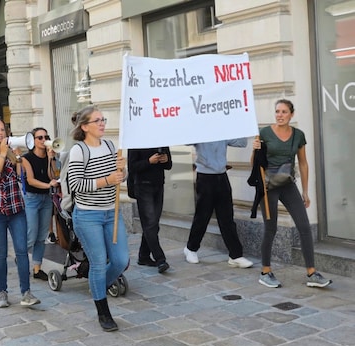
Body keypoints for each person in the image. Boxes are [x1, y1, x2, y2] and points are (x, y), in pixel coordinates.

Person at [252, 99, 332, 288]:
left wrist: (305, 191)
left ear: (291, 114)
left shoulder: (298, 136)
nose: (279, 115)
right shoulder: (264, 133)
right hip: (267, 186)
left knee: (304, 226)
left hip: (288, 184)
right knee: (271, 228)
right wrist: (255, 149)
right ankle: (265, 271)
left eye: (284, 112)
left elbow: (303, 163)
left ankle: (312, 273)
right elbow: (254, 164)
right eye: (277, 111)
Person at [67, 105, 128, 332]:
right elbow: (75, 185)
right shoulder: (79, 151)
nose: (102, 123)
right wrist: (107, 179)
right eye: (97, 120)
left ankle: (95, 281)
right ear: (85, 127)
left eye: (103, 119)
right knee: (99, 263)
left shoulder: (111, 146)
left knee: (120, 260)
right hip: (87, 215)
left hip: (112, 212)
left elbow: (120, 177)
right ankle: (103, 312)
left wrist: (122, 171)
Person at [0, 118, 41, 308]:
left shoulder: (11, 151)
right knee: (1, 254)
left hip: (16, 208)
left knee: (21, 251)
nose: (0, 133)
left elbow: (20, 177)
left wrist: (18, 158)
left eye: (2, 130)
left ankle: (26, 292)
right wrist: (3, 154)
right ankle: (2, 292)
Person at [183, 139, 254, 269]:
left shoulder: (222, 128)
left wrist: (243, 123)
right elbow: (185, 140)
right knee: (203, 216)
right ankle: (191, 248)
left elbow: (241, 143)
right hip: (205, 176)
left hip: (222, 176)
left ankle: (235, 255)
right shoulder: (200, 129)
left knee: (227, 218)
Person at [21, 127, 59, 281]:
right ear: (33, 141)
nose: (44, 140)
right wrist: (48, 186)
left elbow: (53, 175)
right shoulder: (26, 158)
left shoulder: (50, 155)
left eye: (46, 137)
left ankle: (37, 268)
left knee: (42, 236)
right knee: (31, 233)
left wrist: (51, 159)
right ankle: (22, 259)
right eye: (40, 138)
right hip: (31, 198)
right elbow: (30, 180)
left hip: (46, 199)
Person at [128, 147, 172, 273]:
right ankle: (160, 259)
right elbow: (132, 167)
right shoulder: (136, 140)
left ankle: (144, 256)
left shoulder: (160, 138)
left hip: (159, 185)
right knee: (150, 224)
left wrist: (165, 159)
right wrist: (149, 161)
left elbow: (169, 165)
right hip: (142, 186)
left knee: (152, 225)